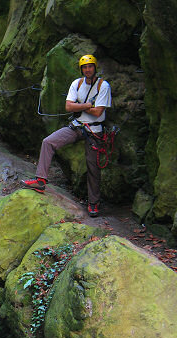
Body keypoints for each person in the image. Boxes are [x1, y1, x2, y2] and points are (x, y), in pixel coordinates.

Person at [22, 54, 112, 217]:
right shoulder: (76, 84)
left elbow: (98, 111)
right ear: (81, 69)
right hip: (77, 126)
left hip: (94, 131)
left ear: (95, 67)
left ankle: (94, 203)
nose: (87, 70)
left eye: (90, 66)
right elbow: (68, 107)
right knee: (48, 142)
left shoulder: (103, 86)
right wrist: (86, 106)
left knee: (93, 166)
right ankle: (40, 180)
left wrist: (78, 107)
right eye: (84, 67)